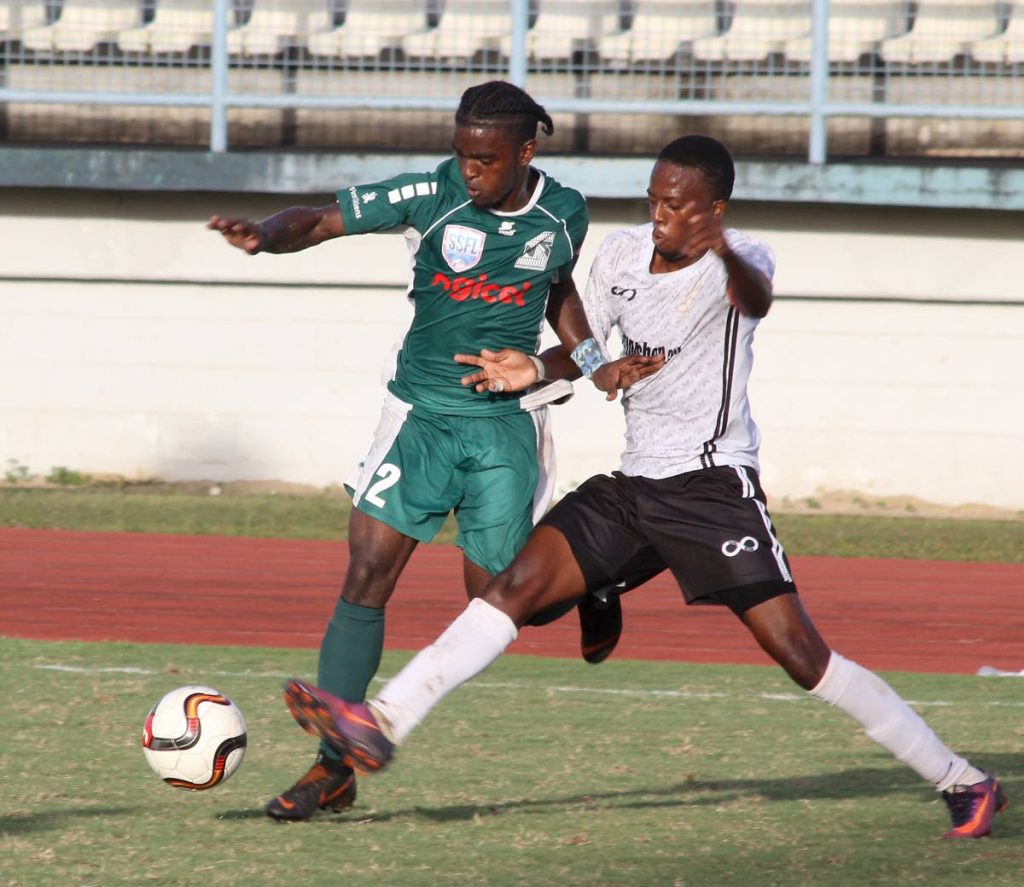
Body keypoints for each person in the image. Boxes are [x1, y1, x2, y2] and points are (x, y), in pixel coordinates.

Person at [280, 134, 1007, 840]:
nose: (661, 214)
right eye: (655, 199)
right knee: (507, 591)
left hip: (710, 487)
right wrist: (538, 369)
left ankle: (962, 779)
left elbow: (755, 302)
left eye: (679, 204)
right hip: (632, 487)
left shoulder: (743, 260)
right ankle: (383, 720)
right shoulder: (624, 254)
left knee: (799, 653)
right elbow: (586, 345)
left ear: (713, 209)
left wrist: (719, 249)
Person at [209, 81, 659, 822]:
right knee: (366, 569)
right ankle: (333, 768)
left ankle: (593, 582)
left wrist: (585, 359)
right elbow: (321, 220)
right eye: (462, 154)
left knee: (499, 595)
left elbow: (557, 289)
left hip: (505, 425)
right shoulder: (431, 193)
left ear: (525, 152)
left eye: (485, 159)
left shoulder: (563, 212)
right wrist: (266, 233)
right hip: (419, 416)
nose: (470, 171)